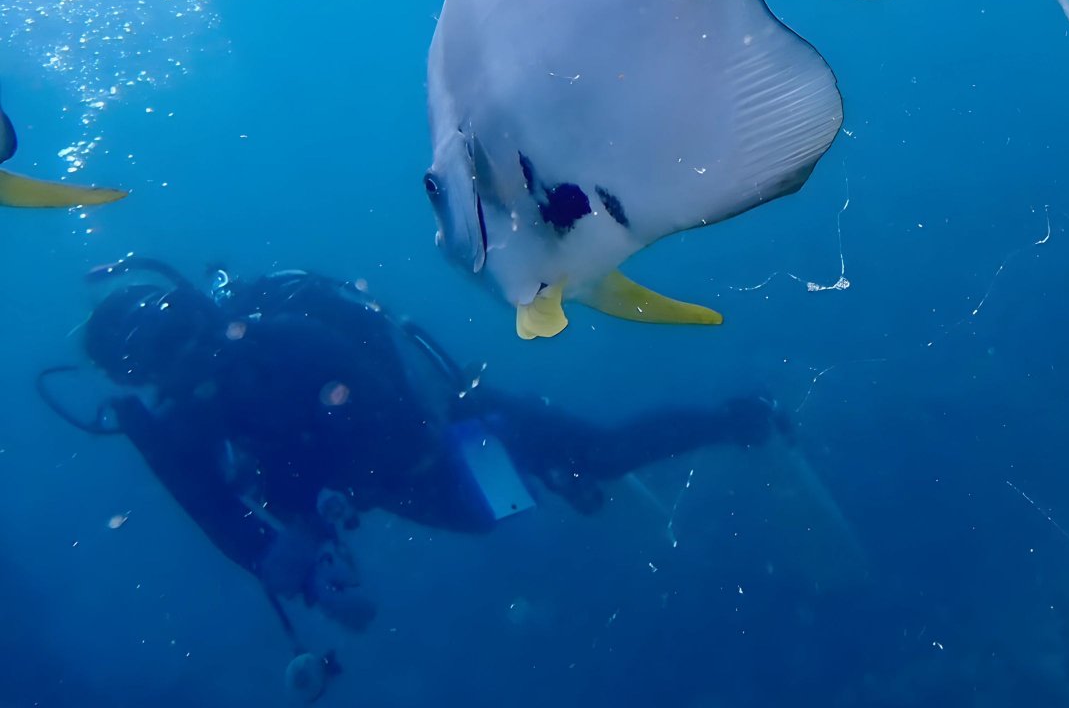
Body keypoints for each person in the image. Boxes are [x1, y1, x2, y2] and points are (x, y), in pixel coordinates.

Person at [40, 259, 786, 691]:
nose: (182, 360)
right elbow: (213, 509)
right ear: (135, 378)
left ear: (196, 311)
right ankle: (544, 472)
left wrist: (306, 524)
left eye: (175, 334)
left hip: (447, 430)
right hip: (398, 482)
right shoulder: (180, 421)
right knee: (493, 516)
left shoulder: (284, 337)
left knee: (592, 457)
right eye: (150, 361)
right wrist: (294, 568)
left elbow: (383, 415)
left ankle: (743, 419)